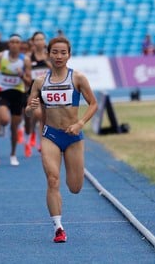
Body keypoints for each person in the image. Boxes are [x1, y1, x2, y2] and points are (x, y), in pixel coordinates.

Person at [25, 36, 98, 243]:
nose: (58, 56)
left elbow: (93, 104)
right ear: (49, 53)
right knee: (52, 179)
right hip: (51, 136)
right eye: (55, 52)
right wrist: (30, 109)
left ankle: (70, 187)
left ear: (69, 55)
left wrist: (80, 123)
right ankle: (58, 228)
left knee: (75, 187)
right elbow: (30, 111)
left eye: (63, 52)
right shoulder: (40, 82)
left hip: (73, 136)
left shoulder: (78, 79)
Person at [0, 34, 32, 166]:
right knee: (4, 119)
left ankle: (13, 154)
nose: (14, 44)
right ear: (9, 44)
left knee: (14, 128)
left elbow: (29, 82)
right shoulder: (1, 56)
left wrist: (21, 75)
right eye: (12, 42)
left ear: (20, 45)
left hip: (18, 94)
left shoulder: (25, 60)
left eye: (17, 42)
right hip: (3, 91)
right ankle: (2, 126)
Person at [23, 31, 52, 158]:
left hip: (48, 90)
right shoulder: (29, 58)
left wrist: (48, 64)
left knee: (45, 119)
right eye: (37, 39)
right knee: (39, 114)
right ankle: (32, 133)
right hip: (34, 90)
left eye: (42, 39)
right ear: (33, 42)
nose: (40, 42)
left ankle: (41, 143)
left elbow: (57, 71)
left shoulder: (50, 55)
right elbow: (28, 78)